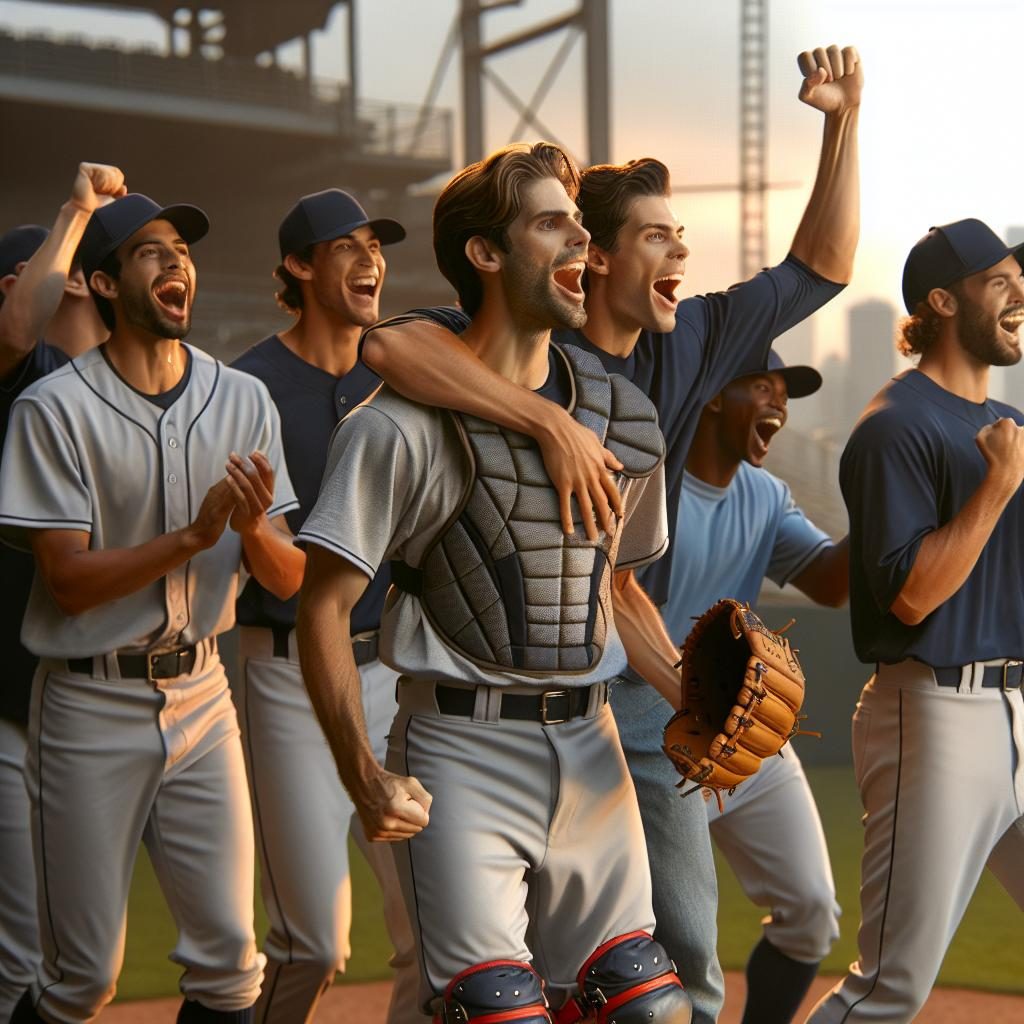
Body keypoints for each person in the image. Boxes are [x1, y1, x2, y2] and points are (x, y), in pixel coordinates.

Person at [358, 43, 862, 1024]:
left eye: (681, 237)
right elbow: (390, 341)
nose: (682, 255)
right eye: (659, 238)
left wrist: (840, 120)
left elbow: (822, 266)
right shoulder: (536, 339)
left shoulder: (695, 338)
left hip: (611, 696)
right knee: (545, 984)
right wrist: (544, 419)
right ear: (594, 251)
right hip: (520, 695)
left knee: (661, 978)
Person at [296, 141, 692, 1023]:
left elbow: (617, 589)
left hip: (593, 747)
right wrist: (362, 773)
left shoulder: (626, 418)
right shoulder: (394, 426)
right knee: (497, 1012)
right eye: (553, 224)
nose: (581, 245)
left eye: (582, 228)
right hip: (460, 749)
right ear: (485, 252)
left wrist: (686, 693)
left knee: (644, 1006)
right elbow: (319, 604)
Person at [0, 191, 305, 1023]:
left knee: (231, 969)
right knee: (80, 980)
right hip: (88, 700)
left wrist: (250, 528)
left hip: (205, 695)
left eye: (181, 248)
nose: (176, 262)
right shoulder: (51, 409)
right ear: (100, 283)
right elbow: (66, 580)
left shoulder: (242, 399)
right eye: (148, 251)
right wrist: (193, 536)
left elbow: (284, 578)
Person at [805, 219, 1024, 1023]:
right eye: (997, 280)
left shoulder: (1009, 430)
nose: (1019, 294)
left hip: (1016, 710)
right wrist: (996, 487)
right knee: (888, 988)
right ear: (941, 300)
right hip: (933, 714)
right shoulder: (896, 426)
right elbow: (910, 598)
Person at [230, 188, 419, 1024]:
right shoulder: (246, 388)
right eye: (344, 245)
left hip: (393, 672)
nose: (369, 257)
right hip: (286, 681)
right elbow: (276, 576)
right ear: (299, 267)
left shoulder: (406, 373)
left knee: (427, 929)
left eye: (374, 244)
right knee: (313, 944)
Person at [672, 350, 848, 1024]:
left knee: (809, 912)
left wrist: (889, 511)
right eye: (761, 385)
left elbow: (830, 582)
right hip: (649, 733)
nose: (777, 401)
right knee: (672, 940)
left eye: (785, 392)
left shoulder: (765, 495)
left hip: (742, 722)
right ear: (713, 395)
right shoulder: (653, 487)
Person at [0, 163, 121, 1022]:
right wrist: (75, 212)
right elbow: (17, 318)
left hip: (95, 703)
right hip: (7, 700)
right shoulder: (22, 369)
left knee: (74, 963)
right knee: (18, 960)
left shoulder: (126, 389)